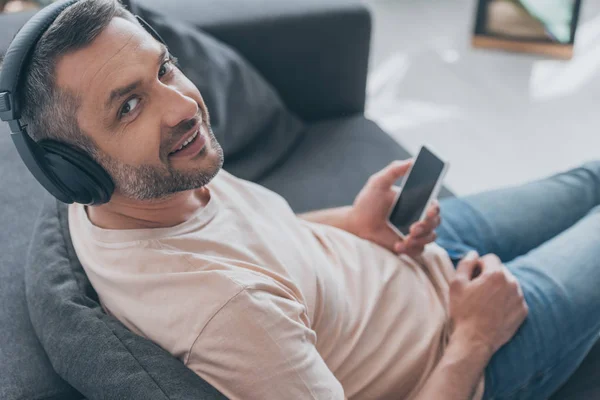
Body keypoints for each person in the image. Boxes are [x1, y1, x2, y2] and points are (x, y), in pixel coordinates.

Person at [5, 0, 600, 399]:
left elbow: (255, 248)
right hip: (456, 350)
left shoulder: (137, 192)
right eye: (128, 105)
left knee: (588, 180)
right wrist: (476, 336)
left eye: (164, 69)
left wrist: (355, 225)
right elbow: (246, 290)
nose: (183, 105)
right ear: (75, 167)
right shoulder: (226, 316)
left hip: (402, 255)